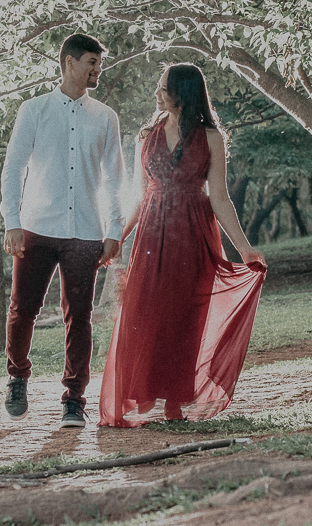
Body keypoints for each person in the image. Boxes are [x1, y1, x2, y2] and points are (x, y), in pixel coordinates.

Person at [99, 63, 267, 427]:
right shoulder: (147, 135)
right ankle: (140, 394)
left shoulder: (211, 139)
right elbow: (139, 198)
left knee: (187, 317)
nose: (156, 94)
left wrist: (244, 248)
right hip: (151, 235)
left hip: (194, 234)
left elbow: (220, 197)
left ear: (182, 93)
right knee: (142, 316)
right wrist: (117, 239)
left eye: (163, 88)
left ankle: (176, 402)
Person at [0, 33, 124, 429]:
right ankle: (17, 376)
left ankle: (74, 399)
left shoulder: (105, 117)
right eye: (91, 61)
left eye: (98, 62)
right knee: (23, 310)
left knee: (80, 317)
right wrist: (12, 222)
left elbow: (115, 178)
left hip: (86, 231)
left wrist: (115, 228)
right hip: (36, 228)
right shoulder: (33, 110)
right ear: (69, 62)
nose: (97, 68)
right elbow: (13, 168)